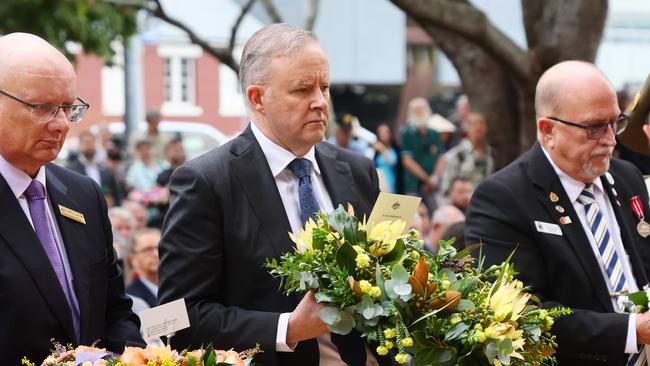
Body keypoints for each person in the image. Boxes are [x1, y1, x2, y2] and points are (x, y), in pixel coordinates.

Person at [157, 24, 389, 366]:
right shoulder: (206, 182)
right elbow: (175, 321)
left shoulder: (358, 171)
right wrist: (287, 329)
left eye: (325, 87)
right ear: (257, 98)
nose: (320, 102)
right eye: (302, 89)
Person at [466, 60, 650, 365]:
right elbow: (520, 313)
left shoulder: (627, 176)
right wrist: (631, 330)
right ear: (548, 129)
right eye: (593, 127)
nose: (610, 139)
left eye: (615, 122)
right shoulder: (503, 198)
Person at [0, 33, 143, 364]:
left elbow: (115, 309)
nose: (62, 124)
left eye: (69, 107)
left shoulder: (83, 194)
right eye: (44, 107)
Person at [400, 97, 445, 212]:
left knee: (436, 212)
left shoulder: (434, 133)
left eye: (422, 109)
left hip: (433, 186)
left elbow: (441, 157)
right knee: (412, 216)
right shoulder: (407, 134)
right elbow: (407, 161)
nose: (419, 113)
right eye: (416, 110)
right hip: (413, 185)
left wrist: (435, 177)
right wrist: (427, 179)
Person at [438, 112, 495, 195]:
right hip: (463, 203)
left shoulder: (491, 153)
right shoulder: (457, 154)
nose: (478, 127)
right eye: (474, 124)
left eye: (481, 123)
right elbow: (446, 185)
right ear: (467, 128)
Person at [66, 130, 122, 206]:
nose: (89, 145)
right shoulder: (70, 170)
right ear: (79, 145)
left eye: (91, 142)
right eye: (85, 142)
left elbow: (116, 194)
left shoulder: (106, 169)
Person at [126, 228, 160, 308]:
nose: (156, 254)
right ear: (132, 258)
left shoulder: (178, 287)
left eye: (159, 248)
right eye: (148, 249)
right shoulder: (130, 298)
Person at [373, 123, 400, 193]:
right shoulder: (375, 150)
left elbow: (391, 161)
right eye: (380, 132)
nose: (383, 134)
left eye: (386, 131)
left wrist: (383, 149)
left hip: (391, 181)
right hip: (379, 181)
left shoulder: (395, 149)